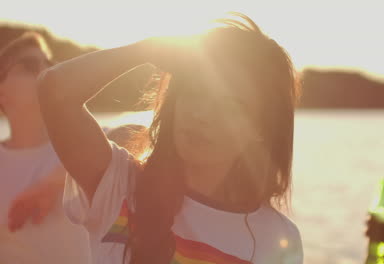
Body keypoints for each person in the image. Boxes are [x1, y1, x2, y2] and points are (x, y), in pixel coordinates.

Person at [38, 13, 303, 264]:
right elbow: (55, 90)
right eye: (196, 93)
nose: (202, 115)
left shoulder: (277, 238)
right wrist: (148, 50)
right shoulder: (120, 185)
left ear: (260, 128)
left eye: (231, 106)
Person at [0, 32, 90, 263]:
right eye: (29, 66)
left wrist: (51, 182)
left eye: (51, 65)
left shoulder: (85, 141)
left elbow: (135, 138)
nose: (46, 73)